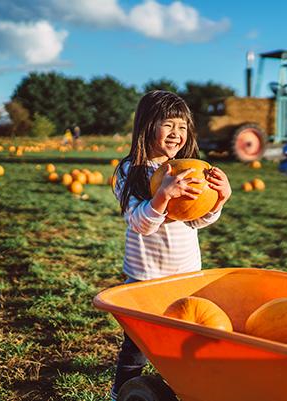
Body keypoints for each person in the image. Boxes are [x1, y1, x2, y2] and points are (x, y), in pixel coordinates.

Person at [110, 90, 231, 400]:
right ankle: (122, 393)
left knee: (187, 341)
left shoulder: (189, 168)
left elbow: (195, 220)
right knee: (137, 347)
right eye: (168, 125)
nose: (177, 134)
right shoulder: (130, 171)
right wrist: (162, 195)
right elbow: (141, 224)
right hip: (145, 278)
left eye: (182, 126)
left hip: (186, 275)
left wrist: (220, 199)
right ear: (147, 126)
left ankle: (186, 388)